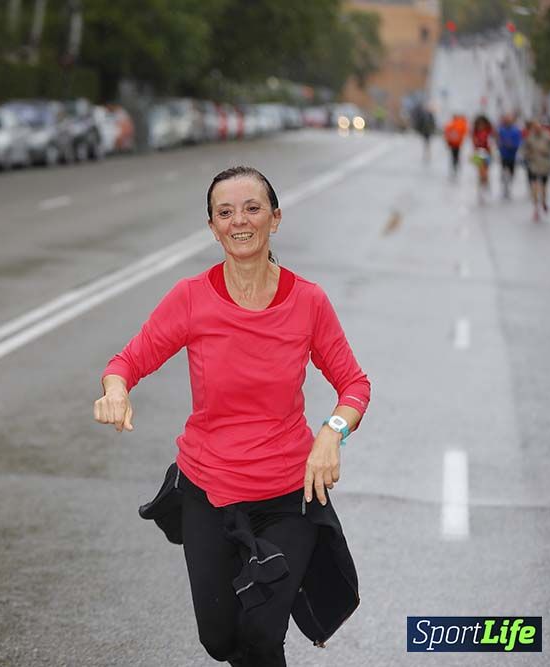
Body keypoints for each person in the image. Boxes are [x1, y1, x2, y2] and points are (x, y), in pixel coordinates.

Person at [94, 166, 370, 665]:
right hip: (208, 490)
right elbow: (127, 361)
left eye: (252, 208)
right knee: (221, 640)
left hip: (289, 495)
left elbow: (354, 385)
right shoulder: (191, 298)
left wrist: (332, 433)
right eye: (225, 212)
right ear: (213, 227)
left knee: (262, 635)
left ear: (275, 218)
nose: (239, 221)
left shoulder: (308, 301)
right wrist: (116, 390)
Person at [520, 119, 550, 222]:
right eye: (535, 127)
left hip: (544, 166)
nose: (537, 129)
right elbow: (523, 149)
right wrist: (527, 155)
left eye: (538, 127)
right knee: (534, 188)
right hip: (533, 165)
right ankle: (536, 207)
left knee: (543, 188)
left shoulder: (547, 136)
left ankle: (543, 201)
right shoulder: (529, 137)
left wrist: (548, 153)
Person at [496, 113, 522, 199]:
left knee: (511, 171)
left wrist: (512, 145)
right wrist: (501, 146)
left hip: (512, 155)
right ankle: (504, 186)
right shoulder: (501, 130)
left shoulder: (515, 130)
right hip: (504, 154)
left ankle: (509, 183)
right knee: (504, 171)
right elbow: (498, 140)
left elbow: (518, 142)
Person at [470, 114, 494, 202]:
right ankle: (481, 189)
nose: (481, 126)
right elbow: (474, 144)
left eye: (482, 124)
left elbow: (491, 143)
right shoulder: (475, 133)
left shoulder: (488, 132)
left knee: (486, 173)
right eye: (479, 124)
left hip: (487, 153)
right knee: (481, 173)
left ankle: (486, 185)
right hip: (478, 154)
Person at [444, 113, 468, 178]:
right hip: (457, 143)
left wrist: (447, 141)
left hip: (453, 143)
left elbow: (447, 132)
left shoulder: (451, 124)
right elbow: (464, 131)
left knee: (453, 155)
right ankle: (456, 165)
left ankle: (455, 165)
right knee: (456, 155)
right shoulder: (460, 123)